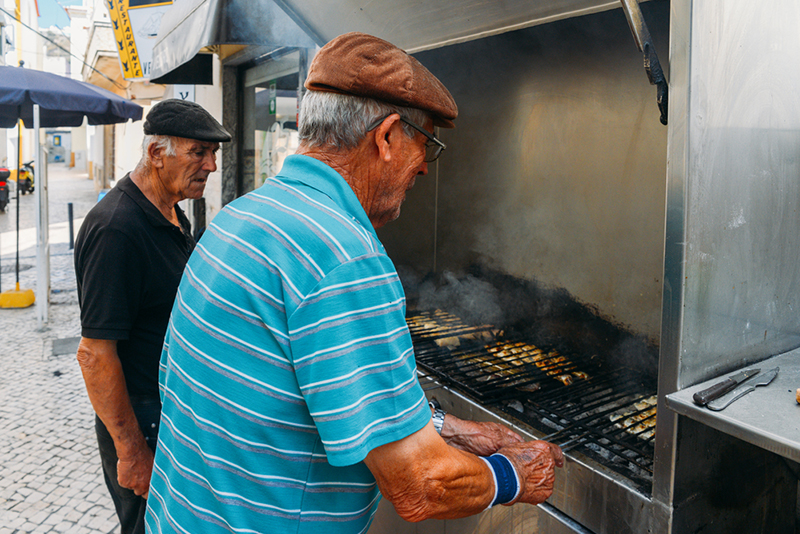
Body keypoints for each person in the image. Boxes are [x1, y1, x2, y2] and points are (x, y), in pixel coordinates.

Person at [144, 33, 563, 534]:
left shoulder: (242, 217)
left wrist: (446, 428)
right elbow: (419, 485)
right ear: (386, 137)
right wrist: (512, 476)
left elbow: (294, 390)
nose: (425, 167)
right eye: (424, 142)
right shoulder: (344, 259)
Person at [74, 99, 231, 534]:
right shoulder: (117, 228)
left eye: (214, 154)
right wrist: (131, 451)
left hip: (170, 411)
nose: (211, 166)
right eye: (199, 152)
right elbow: (94, 354)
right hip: (142, 421)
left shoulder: (172, 212)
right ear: (156, 153)